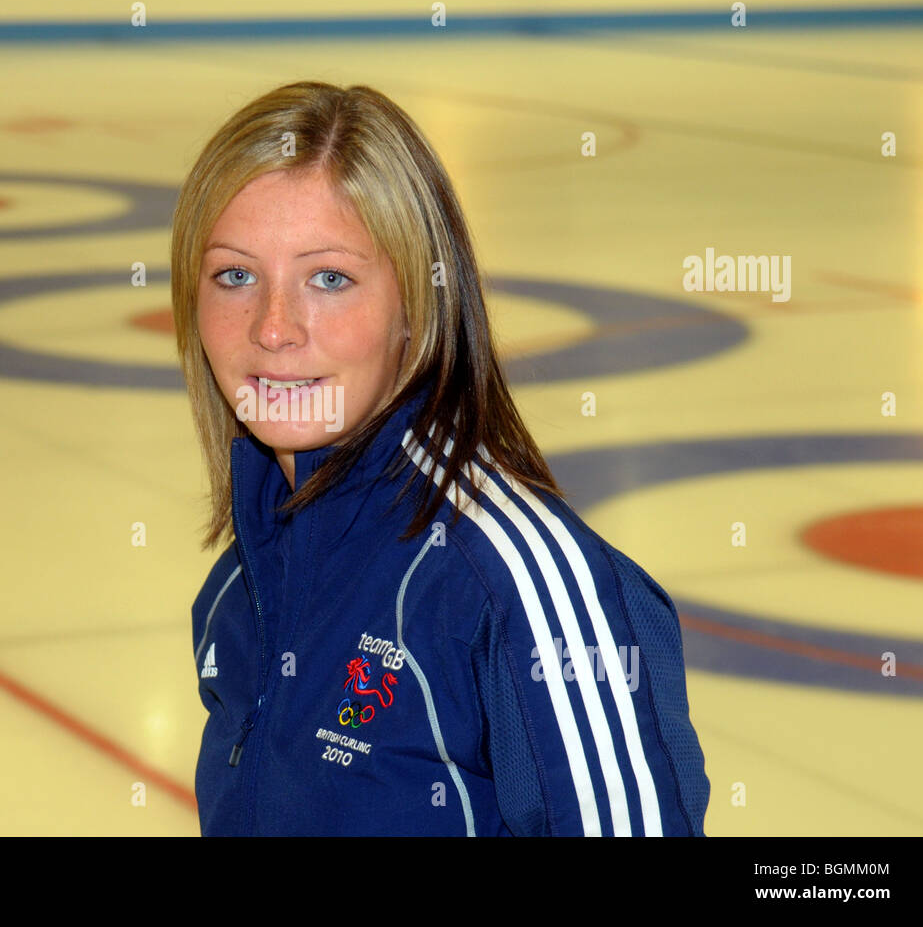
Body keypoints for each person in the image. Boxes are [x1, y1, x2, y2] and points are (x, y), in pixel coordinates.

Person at [170, 80, 710, 836]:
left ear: (415, 308)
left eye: (329, 278)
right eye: (236, 275)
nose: (273, 327)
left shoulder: (512, 583)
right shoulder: (240, 588)